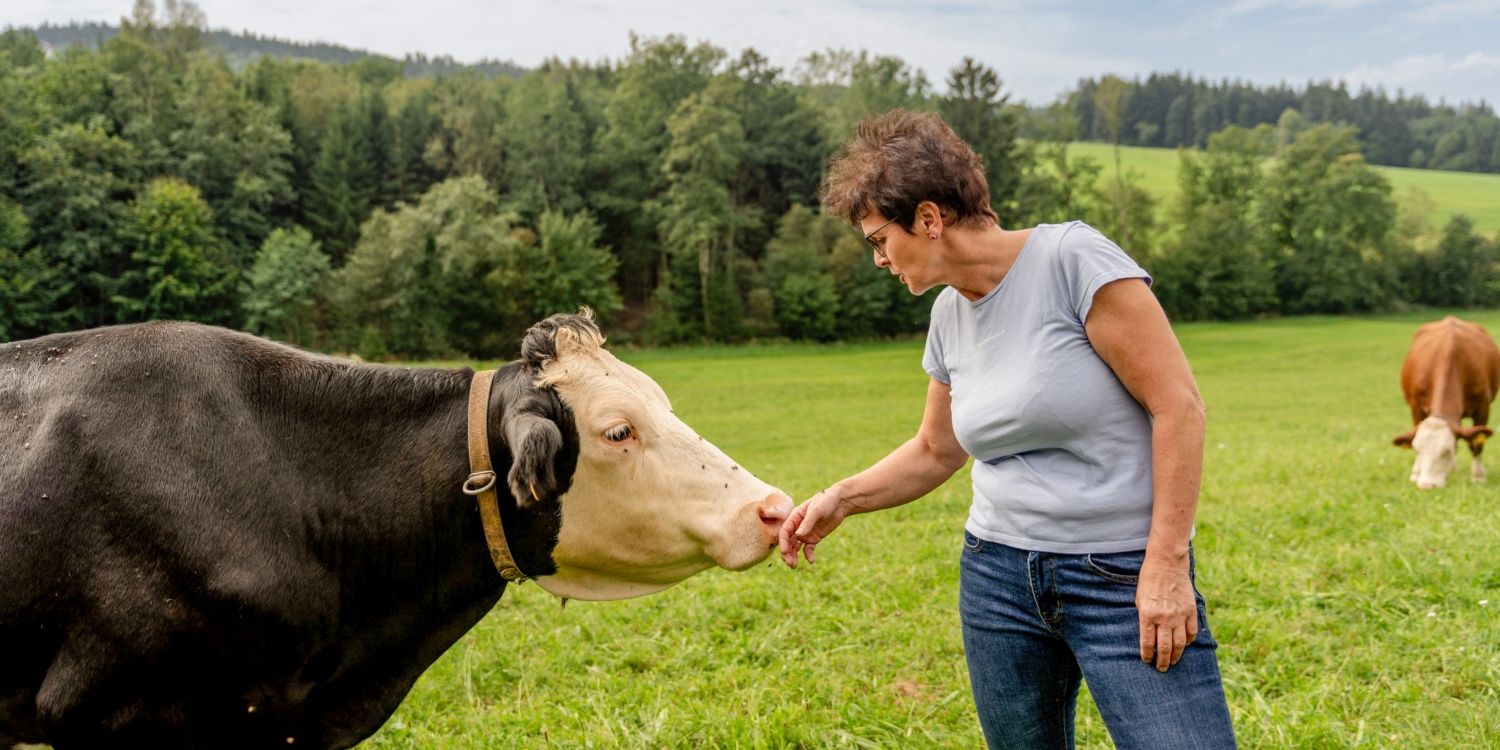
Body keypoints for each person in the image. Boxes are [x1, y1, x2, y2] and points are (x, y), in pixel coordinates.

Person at [777, 110, 1236, 749]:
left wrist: (1165, 563)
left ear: (930, 219)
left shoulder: (1072, 259)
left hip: (1119, 575)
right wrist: (840, 498)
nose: (878, 259)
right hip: (997, 579)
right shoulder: (948, 315)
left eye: (879, 238)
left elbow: (1179, 408)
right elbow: (937, 450)